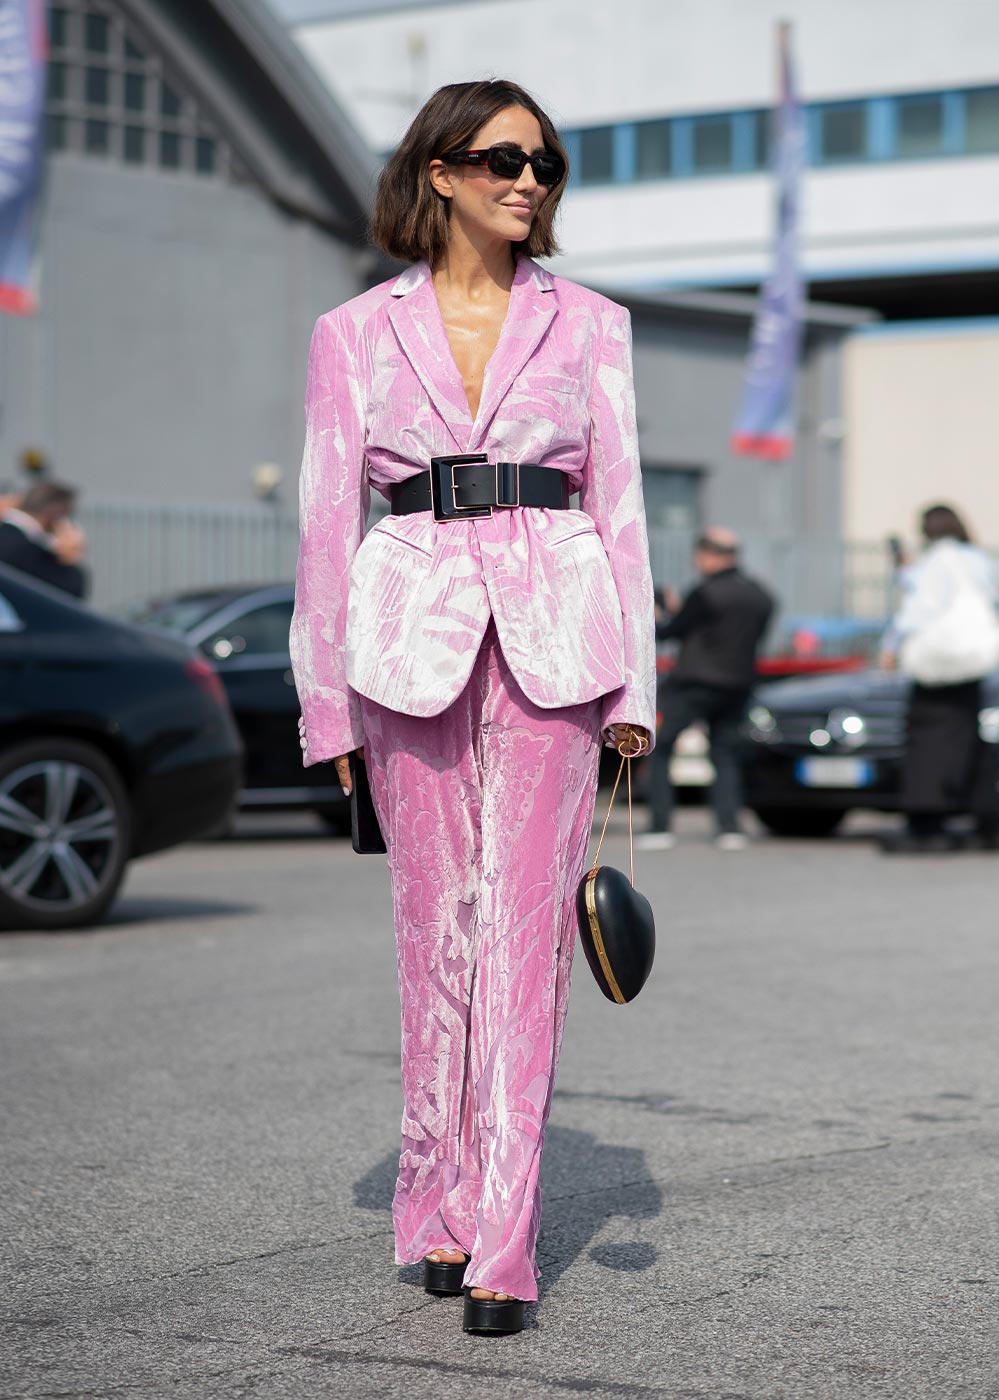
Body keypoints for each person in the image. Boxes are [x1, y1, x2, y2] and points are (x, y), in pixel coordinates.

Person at [288, 80, 655, 1335]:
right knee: (432, 938)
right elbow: (323, 524)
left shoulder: (593, 324)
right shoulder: (353, 331)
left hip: (558, 637)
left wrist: (636, 687)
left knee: (522, 941)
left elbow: (622, 508)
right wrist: (327, 711)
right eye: (503, 158)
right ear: (439, 171)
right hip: (405, 644)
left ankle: (502, 1236)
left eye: (546, 163)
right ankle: (436, 1208)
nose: (529, 181)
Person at [640, 528, 774, 851]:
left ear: (707, 556)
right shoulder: (760, 595)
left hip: (695, 682)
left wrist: (660, 613)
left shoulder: (705, 593)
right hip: (738, 684)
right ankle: (729, 828)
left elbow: (670, 632)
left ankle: (660, 827)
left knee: (661, 747)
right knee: (725, 754)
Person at [879, 503, 999, 853]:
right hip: (973, 665)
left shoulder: (935, 562)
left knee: (927, 744)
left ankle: (926, 822)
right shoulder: (978, 560)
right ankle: (985, 819)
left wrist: (890, 646)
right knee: (972, 740)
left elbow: (918, 609)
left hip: (936, 670)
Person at [0, 482, 89, 598]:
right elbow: (70, 594)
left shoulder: (9, 537)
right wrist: (71, 558)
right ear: (56, 514)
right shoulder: (33, 552)